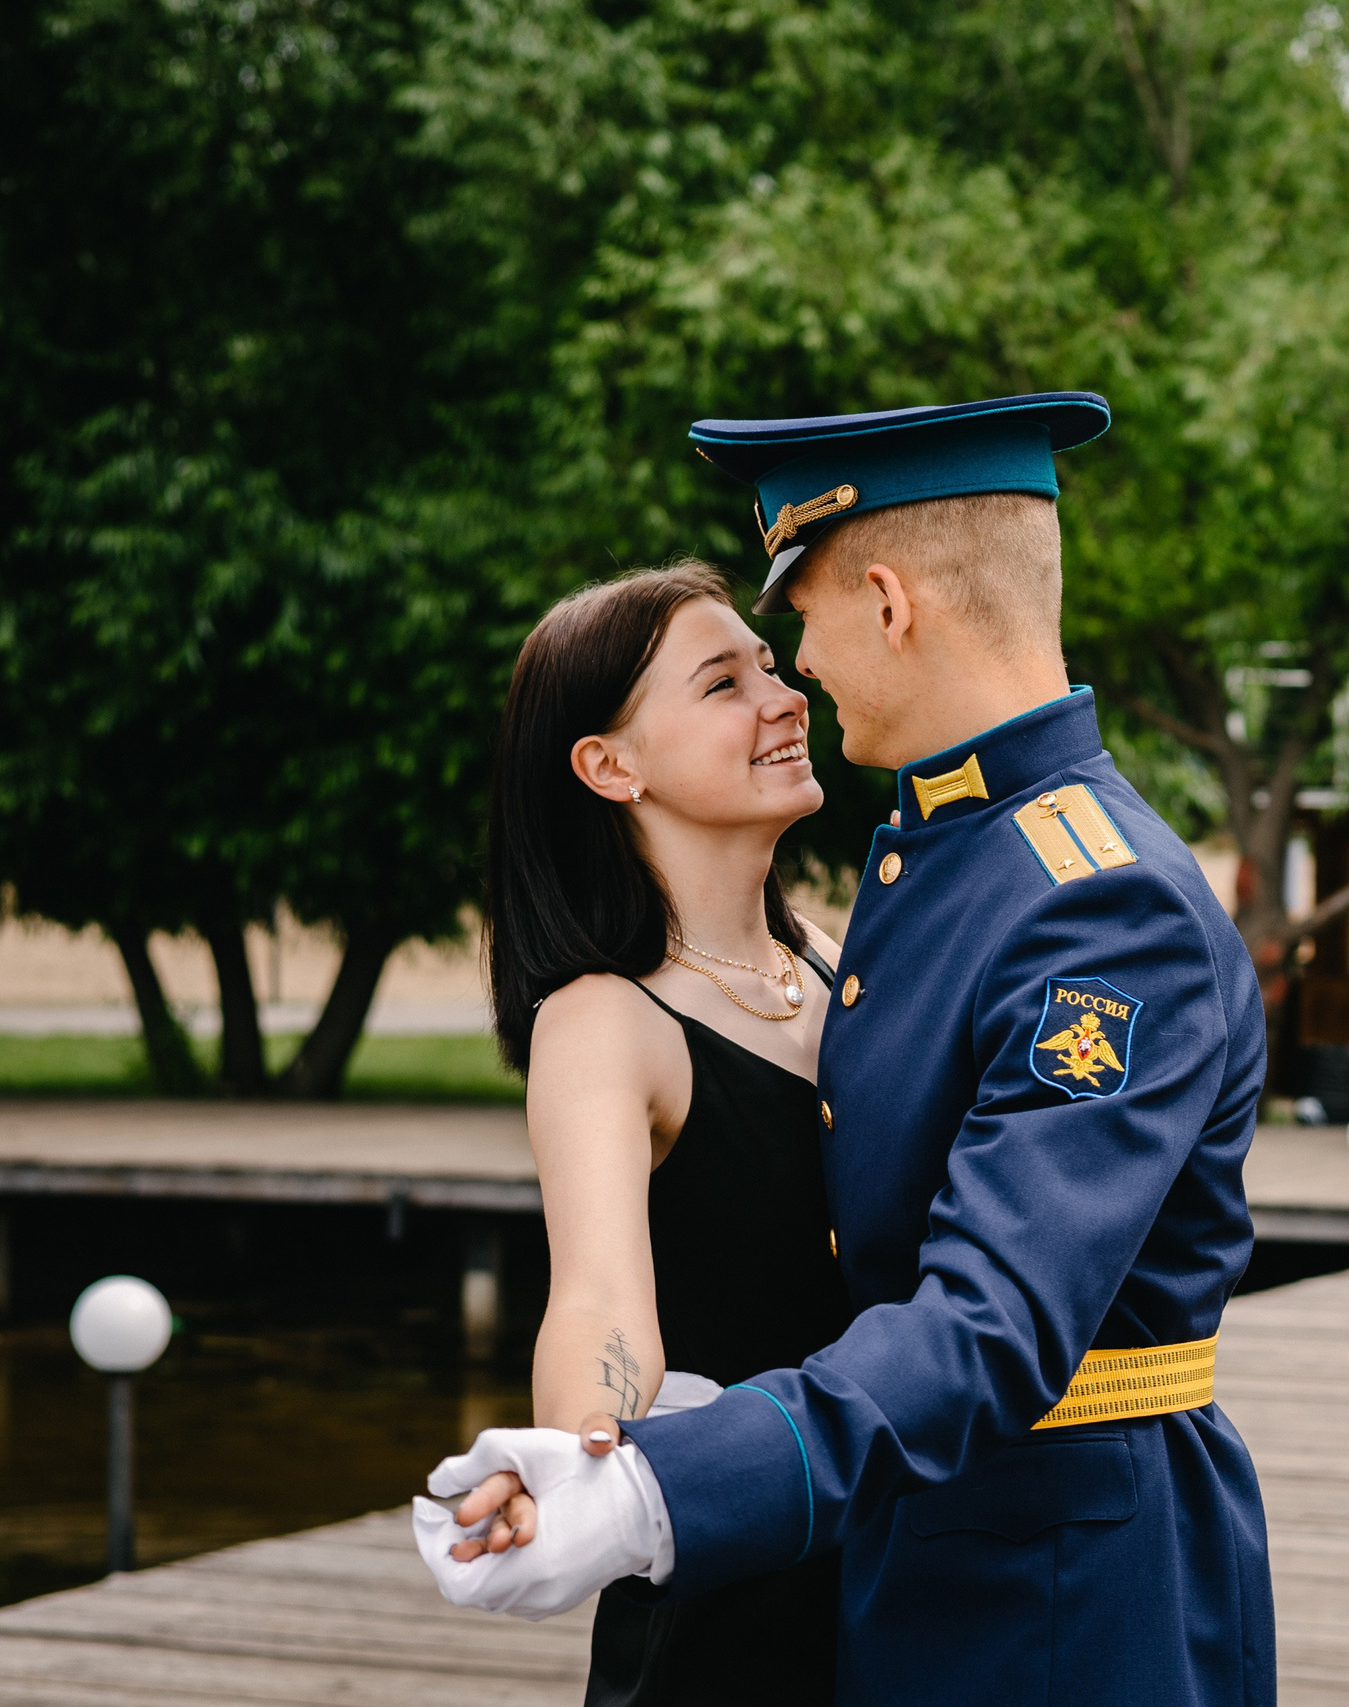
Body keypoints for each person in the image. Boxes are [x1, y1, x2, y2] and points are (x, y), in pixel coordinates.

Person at [418, 393, 1277, 1706]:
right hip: (900, 1547)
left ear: (890, 602)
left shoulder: (1096, 899)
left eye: (799, 621)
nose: (796, 669)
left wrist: (651, 1487)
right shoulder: (939, 857)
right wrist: (594, 1443)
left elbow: (993, 1320)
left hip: (1056, 1588)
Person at [465, 559, 853, 1703]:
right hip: (737, 1602)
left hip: (906, 1568)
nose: (784, 699)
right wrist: (581, 1457)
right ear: (609, 764)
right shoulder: (603, 1021)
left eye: (773, 666)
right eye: (722, 682)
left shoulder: (839, 961)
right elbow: (595, 1297)